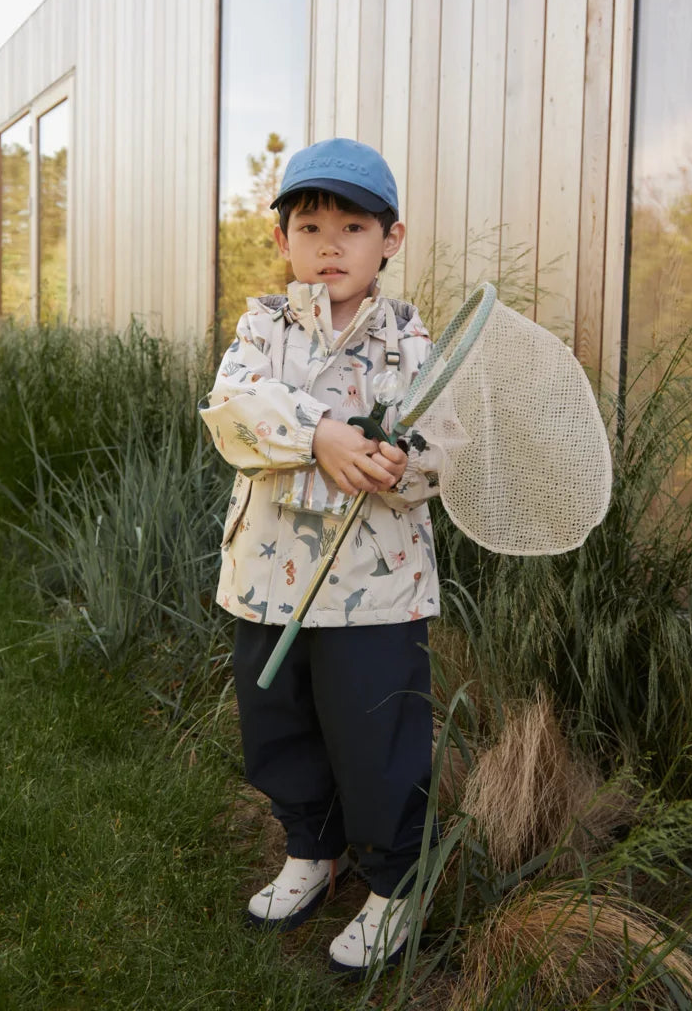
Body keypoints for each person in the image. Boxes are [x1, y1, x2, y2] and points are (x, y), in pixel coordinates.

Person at [198, 137, 440, 976]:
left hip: (378, 589)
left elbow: (444, 446)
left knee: (377, 734)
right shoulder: (263, 326)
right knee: (281, 720)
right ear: (282, 240)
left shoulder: (409, 338)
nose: (330, 245)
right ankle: (312, 848)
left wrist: (405, 464)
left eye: (352, 227)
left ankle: (396, 881)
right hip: (269, 578)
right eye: (310, 227)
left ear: (390, 239)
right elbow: (232, 411)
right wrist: (320, 435)